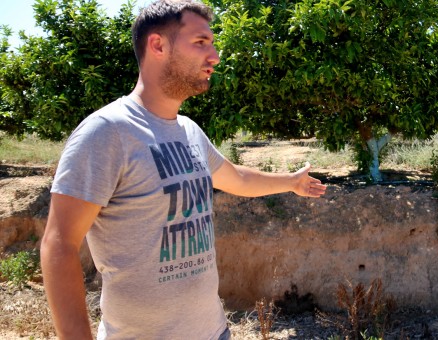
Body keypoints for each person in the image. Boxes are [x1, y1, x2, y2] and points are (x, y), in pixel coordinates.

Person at [39, 1, 327, 339]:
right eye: (201, 42)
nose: (215, 56)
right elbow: (59, 245)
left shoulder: (189, 130)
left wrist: (290, 182)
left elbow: (236, 178)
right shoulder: (107, 132)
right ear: (158, 45)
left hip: (213, 332)